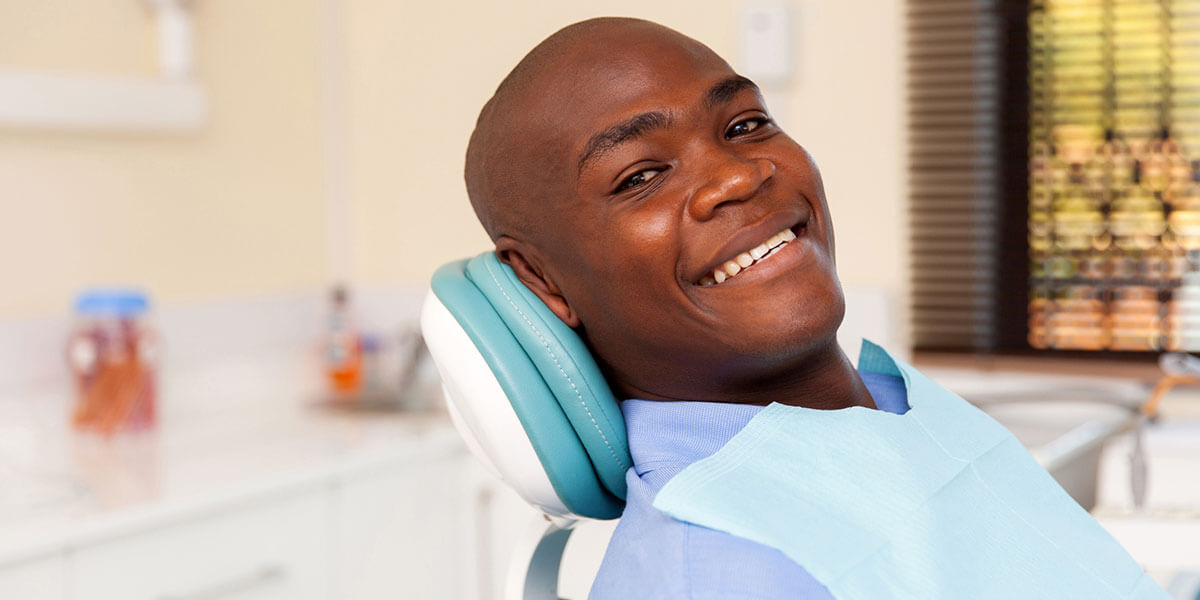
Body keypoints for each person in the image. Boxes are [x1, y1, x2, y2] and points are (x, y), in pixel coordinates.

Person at [463, 17, 1161, 599]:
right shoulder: (716, 569)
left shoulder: (897, 408)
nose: (738, 175)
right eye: (641, 176)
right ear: (541, 278)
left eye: (744, 124)